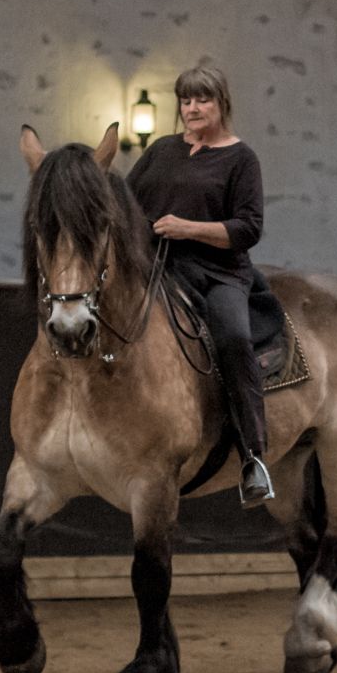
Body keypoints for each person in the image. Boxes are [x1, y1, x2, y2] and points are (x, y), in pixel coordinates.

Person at [126, 65, 273, 507]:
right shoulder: (160, 151)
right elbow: (126, 204)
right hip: (159, 266)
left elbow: (248, 229)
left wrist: (188, 228)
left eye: (202, 100)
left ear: (221, 103)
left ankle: (253, 456)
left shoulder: (240, 158)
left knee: (232, 337)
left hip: (218, 273)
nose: (192, 108)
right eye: (186, 101)